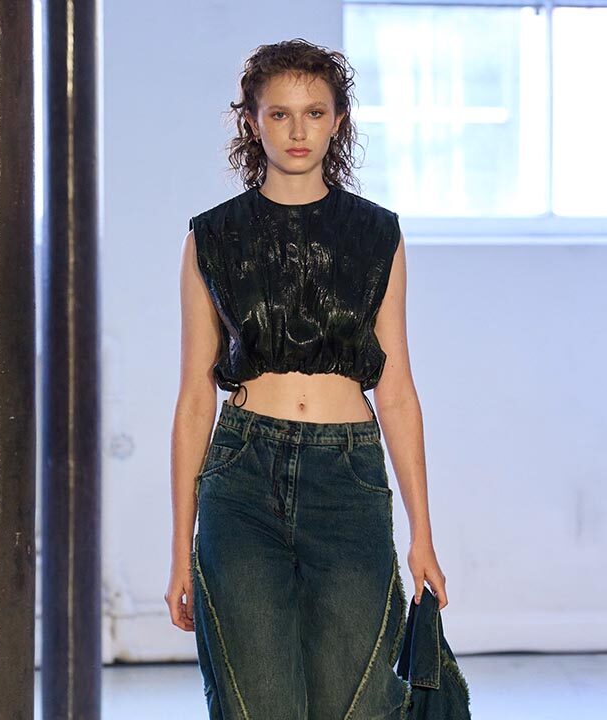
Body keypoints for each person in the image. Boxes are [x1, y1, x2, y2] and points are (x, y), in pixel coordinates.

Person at [166, 38, 453, 719]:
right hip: (241, 477)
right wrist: (180, 549)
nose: (298, 131)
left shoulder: (377, 235)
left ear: (338, 122)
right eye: (279, 114)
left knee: (356, 705)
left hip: (347, 479)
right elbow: (194, 396)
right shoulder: (211, 237)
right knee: (257, 704)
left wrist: (422, 533)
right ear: (252, 122)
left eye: (315, 113)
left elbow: (397, 389)